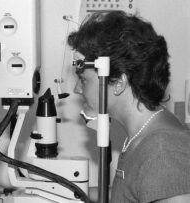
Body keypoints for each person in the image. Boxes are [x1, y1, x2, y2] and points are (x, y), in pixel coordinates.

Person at [68, 11, 190, 202]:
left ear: (118, 83)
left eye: (83, 80)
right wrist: (69, 192)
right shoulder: (143, 136)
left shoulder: (162, 153)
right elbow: (132, 194)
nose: (77, 89)